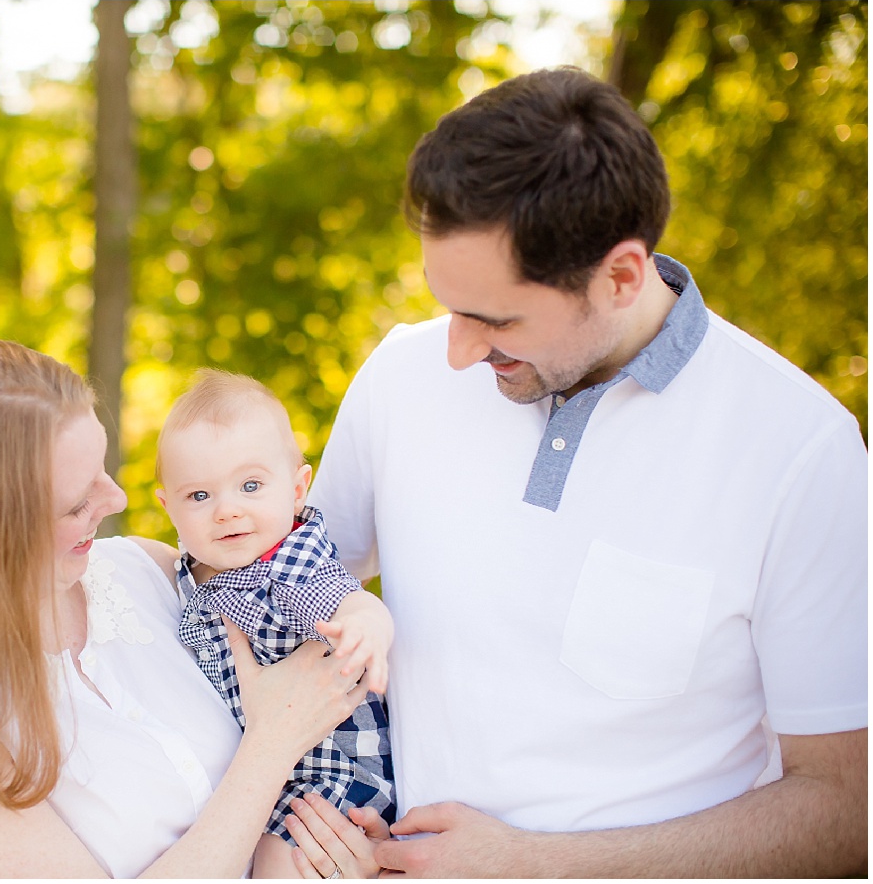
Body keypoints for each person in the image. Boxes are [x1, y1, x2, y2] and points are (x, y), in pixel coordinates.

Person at [296, 67, 867, 877]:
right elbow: (281, 599)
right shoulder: (400, 374)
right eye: (447, 305)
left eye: (494, 318)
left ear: (621, 276)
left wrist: (534, 863)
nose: (454, 351)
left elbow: (846, 811)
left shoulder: (801, 449)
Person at [0, 337, 371, 878]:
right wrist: (270, 745)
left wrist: (353, 851)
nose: (118, 500)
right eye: (77, 503)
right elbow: (284, 727)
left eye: (102, 469)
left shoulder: (156, 574)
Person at [155, 370, 397, 877]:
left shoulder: (288, 564)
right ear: (168, 507)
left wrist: (364, 625)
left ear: (296, 489)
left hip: (333, 770)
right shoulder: (191, 572)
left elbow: (344, 600)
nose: (227, 510)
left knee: (277, 864)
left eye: (250, 485)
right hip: (272, 772)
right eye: (199, 496)